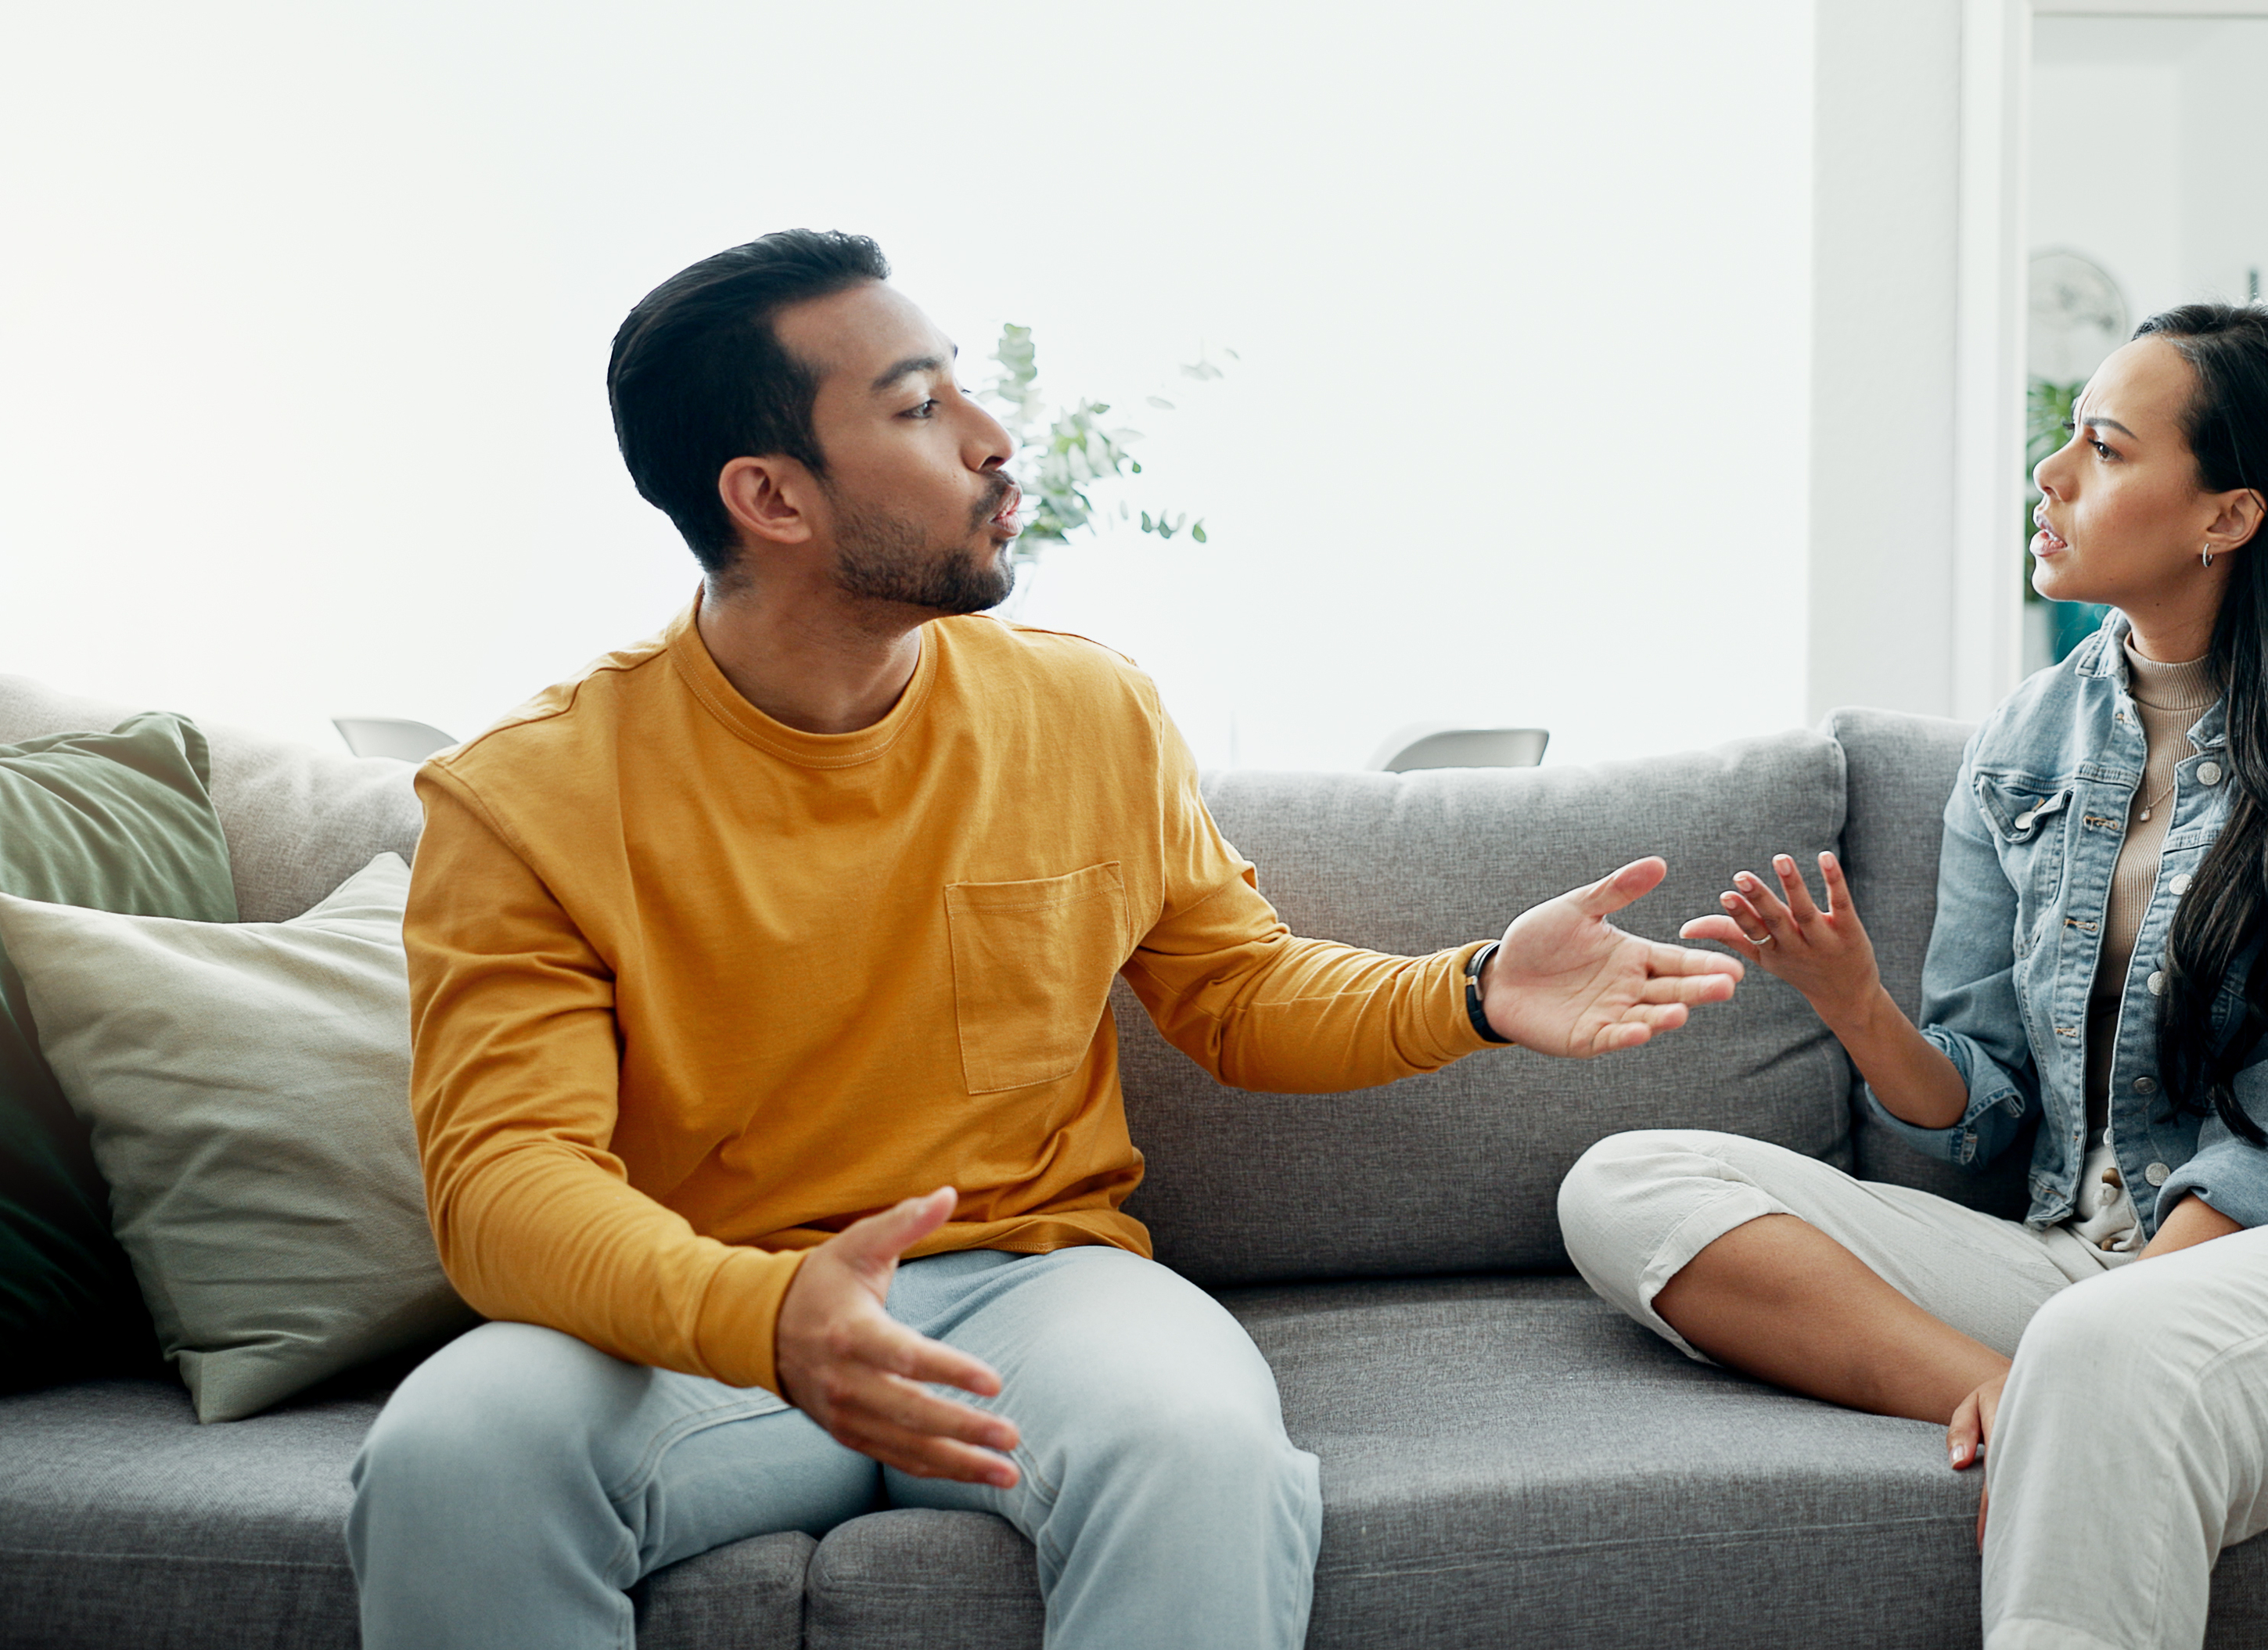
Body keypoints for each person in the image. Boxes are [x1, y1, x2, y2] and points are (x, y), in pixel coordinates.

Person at [347, 228, 1745, 1650]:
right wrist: (759, 1312)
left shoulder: (1090, 713)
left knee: (1198, 1448)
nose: (995, 439)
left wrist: (1475, 989)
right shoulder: (529, 796)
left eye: (961, 390)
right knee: (452, 1457)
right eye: (917, 408)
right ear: (769, 495)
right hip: (702, 1321)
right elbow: (504, 1183)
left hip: (1039, 1287)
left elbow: (1237, 993)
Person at [1557, 304, 2268, 1650]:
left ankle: (2071, 1374)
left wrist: (2119, 1317)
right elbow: (1986, 1106)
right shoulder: (2025, 742)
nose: (2053, 473)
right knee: (1623, 1183)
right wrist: (1856, 1004)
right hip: (2086, 1257)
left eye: (2103, 445)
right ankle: (2013, 1384)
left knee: (2106, 1346)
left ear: (2230, 514)